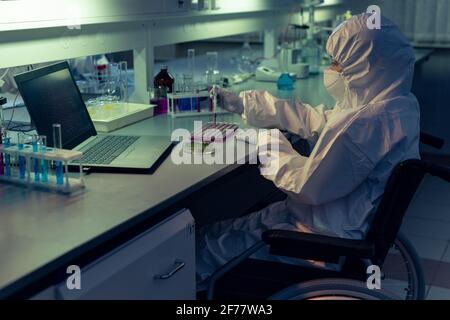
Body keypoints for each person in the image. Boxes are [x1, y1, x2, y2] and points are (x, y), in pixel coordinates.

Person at [196, 13, 421, 284]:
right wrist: (244, 103)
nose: (331, 69)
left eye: (337, 62)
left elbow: (305, 186)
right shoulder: (394, 105)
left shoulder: (366, 124)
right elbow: (319, 119)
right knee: (213, 232)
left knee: (202, 251)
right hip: (324, 218)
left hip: (316, 239)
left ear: (363, 67)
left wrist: (268, 141)